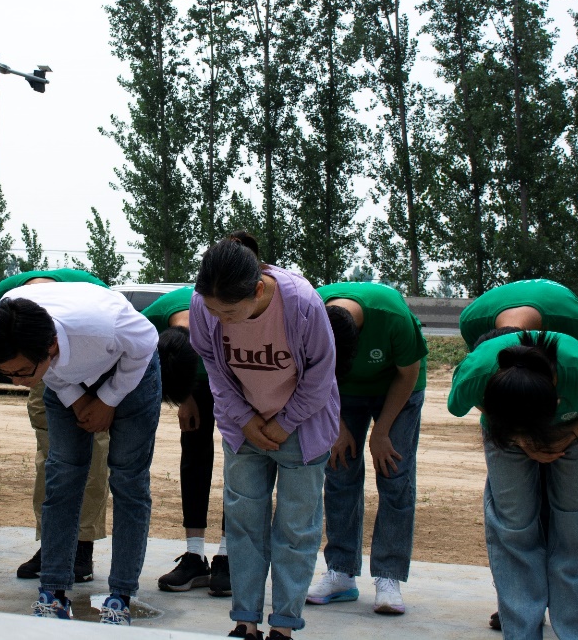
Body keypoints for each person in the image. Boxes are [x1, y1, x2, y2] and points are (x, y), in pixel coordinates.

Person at [0, 281, 161, 625]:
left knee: (128, 479)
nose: (16, 382)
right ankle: (52, 592)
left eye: (20, 372)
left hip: (129, 370)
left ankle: (121, 596)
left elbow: (146, 342)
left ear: (49, 345)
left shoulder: (104, 325)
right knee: (63, 476)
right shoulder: (11, 317)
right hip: (66, 377)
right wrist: (77, 400)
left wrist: (108, 399)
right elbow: (52, 373)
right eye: (7, 374)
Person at [188, 232, 340, 640]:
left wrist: (285, 422)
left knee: (295, 527)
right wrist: (244, 419)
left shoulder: (302, 303)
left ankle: (284, 626)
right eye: (213, 310)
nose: (220, 319)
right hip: (244, 430)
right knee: (243, 524)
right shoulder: (205, 304)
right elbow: (213, 365)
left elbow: (321, 374)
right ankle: (246, 622)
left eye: (230, 312)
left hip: (302, 429)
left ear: (258, 290)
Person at [448, 329, 578, 640]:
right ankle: (521, 632)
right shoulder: (477, 371)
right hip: (507, 429)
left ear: (555, 390)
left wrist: (573, 432)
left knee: (577, 527)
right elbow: (461, 401)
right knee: (513, 526)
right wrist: (519, 436)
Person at [305, 282, 427, 615]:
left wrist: (381, 432)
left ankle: (389, 577)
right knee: (339, 471)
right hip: (340, 393)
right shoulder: (308, 316)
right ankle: (341, 572)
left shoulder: (392, 316)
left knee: (394, 474)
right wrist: (337, 426)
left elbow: (408, 373)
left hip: (397, 387)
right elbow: (313, 376)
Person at [0, 268, 111, 583]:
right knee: (50, 460)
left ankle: (82, 546)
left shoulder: (90, 288)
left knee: (94, 457)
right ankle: (51, 544)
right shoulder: (5, 292)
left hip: (89, 364)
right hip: (41, 367)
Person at [144, 286, 232, 597]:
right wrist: (185, 397)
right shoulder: (152, 318)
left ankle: (229, 555)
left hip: (236, 378)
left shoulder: (225, 312)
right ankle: (195, 555)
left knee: (240, 460)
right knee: (194, 456)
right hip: (194, 383)